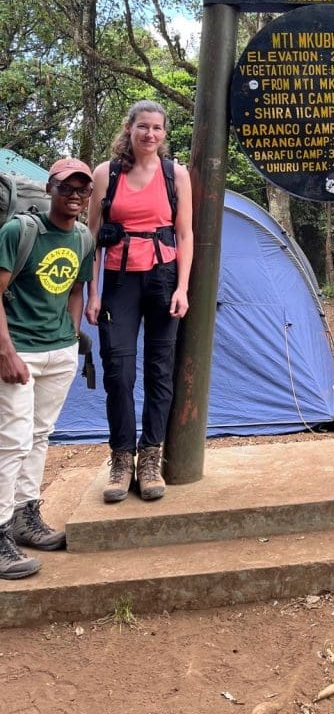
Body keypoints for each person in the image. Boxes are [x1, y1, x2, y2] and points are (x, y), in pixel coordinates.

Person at [86, 101, 193, 504]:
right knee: (118, 370)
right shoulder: (106, 174)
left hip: (164, 279)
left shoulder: (174, 175)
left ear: (165, 133)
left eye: (157, 128)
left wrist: (183, 287)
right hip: (118, 280)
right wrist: (93, 292)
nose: (150, 134)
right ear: (129, 129)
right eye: (143, 127)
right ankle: (121, 459)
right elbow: (93, 238)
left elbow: (184, 234)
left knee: (160, 370)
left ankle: (151, 457)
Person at [0, 158, 95, 579]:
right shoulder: (19, 231)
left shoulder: (83, 238)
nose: (74, 195)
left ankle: (25, 516)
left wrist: (71, 336)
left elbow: (76, 288)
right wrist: (5, 351)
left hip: (57, 353)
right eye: (66, 188)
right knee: (12, 442)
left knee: (39, 437)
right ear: (50, 189)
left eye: (82, 189)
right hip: (18, 352)